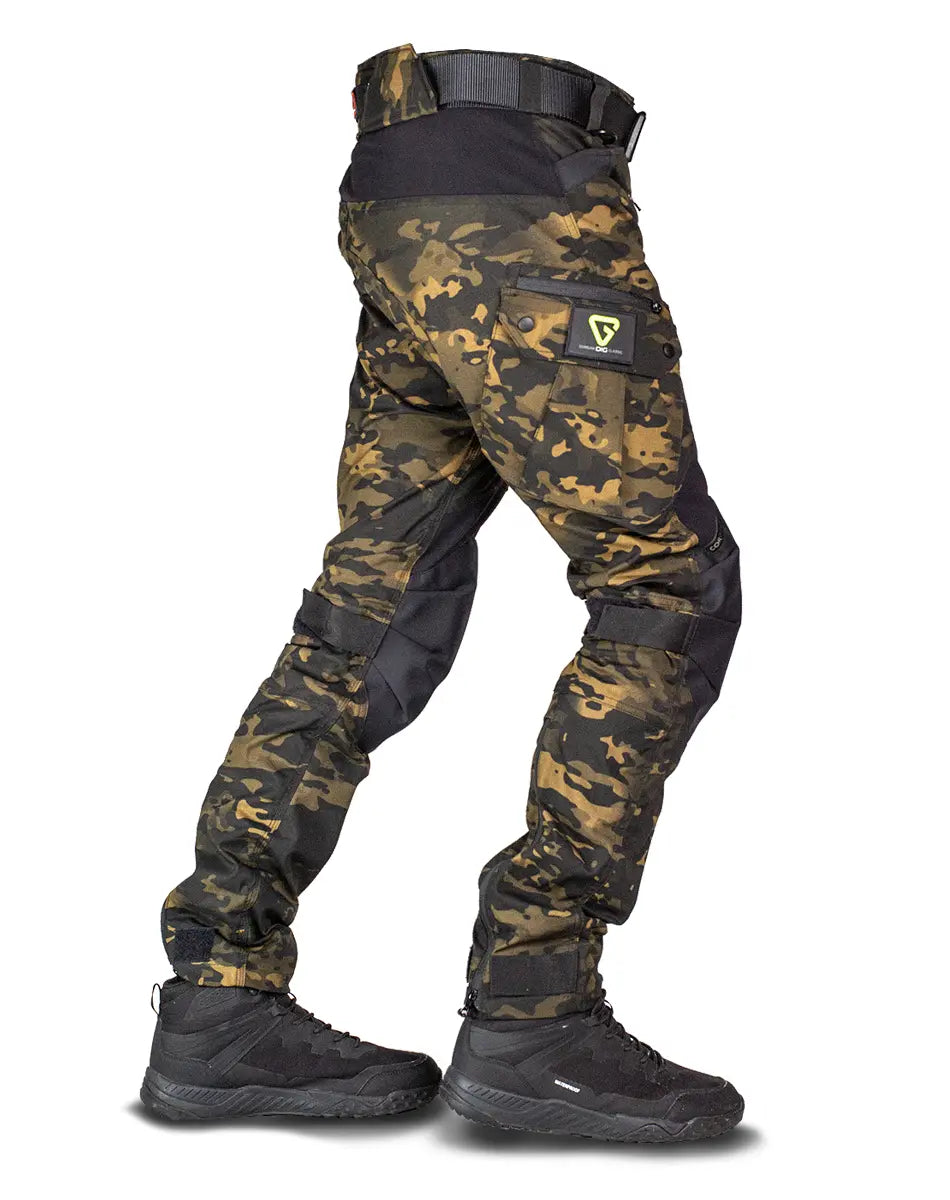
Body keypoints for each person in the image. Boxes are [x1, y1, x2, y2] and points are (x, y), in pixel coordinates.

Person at [142, 44, 743, 1143]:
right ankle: (533, 1006)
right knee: (664, 584)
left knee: (376, 606)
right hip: (525, 190)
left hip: (402, 180)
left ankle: (219, 995)